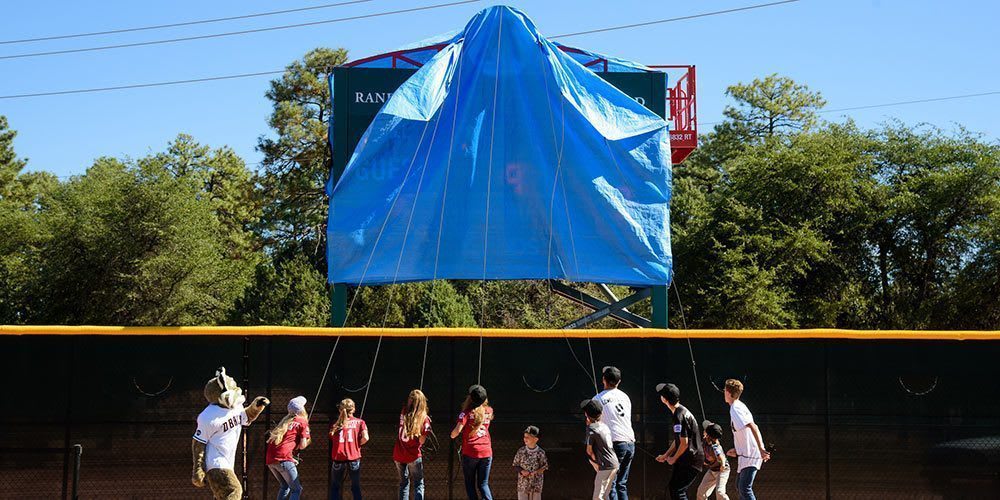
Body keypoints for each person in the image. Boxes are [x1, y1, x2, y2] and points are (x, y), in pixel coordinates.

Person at [654, 383, 704, 500]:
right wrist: (666, 455)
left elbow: (684, 443)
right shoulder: (680, 411)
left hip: (692, 459)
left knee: (678, 490)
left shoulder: (678, 415)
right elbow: (679, 440)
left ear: (664, 399)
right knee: (674, 488)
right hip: (689, 458)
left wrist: (674, 458)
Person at [723, 379, 769, 500]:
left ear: (728, 392)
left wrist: (761, 449)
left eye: (724, 390)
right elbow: (745, 432)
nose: (724, 392)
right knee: (739, 485)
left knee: (744, 487)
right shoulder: (737, 406)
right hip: (746, 454)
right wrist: (737, 450)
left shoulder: (736, 409)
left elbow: (753, 426)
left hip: (751, 454)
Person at [594, 366, 636, 500]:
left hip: (615, 444)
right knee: (621, 484)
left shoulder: (597, 399)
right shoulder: (625, 397)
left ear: (603, 380)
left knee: (610, 484)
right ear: (619, 381)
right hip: (629, 444)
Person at [450, 384, 494, 500]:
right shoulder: (489, 411)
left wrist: (452, 435)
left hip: (471, 452)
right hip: (486, 452)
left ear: (470, 398)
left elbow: (456, 432)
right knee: (483, 484)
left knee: (470, 484)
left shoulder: (465, 413)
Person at [265, 396, 311, 500]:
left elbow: (281, 445)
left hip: (271, 460)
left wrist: (291, 458)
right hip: (283, 459)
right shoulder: (302, 421)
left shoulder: (284, 422)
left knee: (285, 486)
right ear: (301, 409)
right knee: (296, 489)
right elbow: (303, 445)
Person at [394, 389, 432, 500]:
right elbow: (421, 441)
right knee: (418, 483)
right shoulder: (424, 418)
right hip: (413, 455)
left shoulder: (404, 411)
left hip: (399, 454)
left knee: (403, 483)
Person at [329, 398, 368, 500]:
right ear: (353, 409)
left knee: (335, 487)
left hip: (338, 458)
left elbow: (333, 438)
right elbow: (366, 437)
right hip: (353, 457)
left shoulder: (335, 425)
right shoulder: (360, 422)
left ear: (340, 410)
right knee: (355, 487)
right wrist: (357, 444)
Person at [581, 399, 619, 500]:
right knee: (605, 496)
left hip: (605, 465)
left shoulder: (591, 429)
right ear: (601, 413)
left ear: (586, 414)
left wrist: (594, 463)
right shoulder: (604, 426)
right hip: (614, 463)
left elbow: (589, 451)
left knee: (598, 497)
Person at [695, 421, 730, 500]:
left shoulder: (715, 446)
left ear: (708, 435)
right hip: (712, 470)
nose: (703, 431)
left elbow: (721, 457)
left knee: (720, 493)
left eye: (705, 430)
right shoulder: (704, 442)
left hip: (722, 470)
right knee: (701, 492)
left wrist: (723, 465)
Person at [512, 425, 548, 500]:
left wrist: (536, 472)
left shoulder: (540, 452)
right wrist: (522, 471)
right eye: (524, 437)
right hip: (523, 485)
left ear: (536, 439)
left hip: (536, 485)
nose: (525, 439)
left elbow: (544, 466)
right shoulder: (521, 451)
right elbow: (515, 465)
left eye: (528, 437)